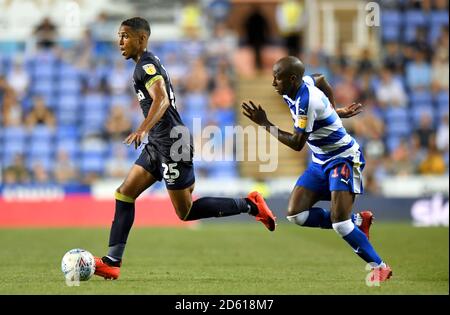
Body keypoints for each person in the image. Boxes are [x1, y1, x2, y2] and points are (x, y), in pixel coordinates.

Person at [93, 17, 276, 280]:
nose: (120, 42)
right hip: (159, 142)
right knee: (124, 193)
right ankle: (112, 261)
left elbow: (163, 99)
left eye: (125, 36)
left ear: (141, 39)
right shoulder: (146, 63)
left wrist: (143, 127)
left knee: (185, 211)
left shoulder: (145, 65)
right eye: (119, 36)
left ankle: (250, 204)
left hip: (171, 144)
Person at [242, 56, 392, 282]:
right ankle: (358, 221)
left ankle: (379, 266)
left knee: (341, 224)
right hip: (321, 161)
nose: (273, 83)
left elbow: (296, 143)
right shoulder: (299, 86)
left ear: (292, 79)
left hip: (344, 159)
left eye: (278, 78)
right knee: (296, 215)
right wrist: (334, 110)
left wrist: (265, 123)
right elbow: (320, 78)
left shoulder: (306, 101)